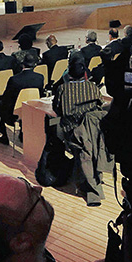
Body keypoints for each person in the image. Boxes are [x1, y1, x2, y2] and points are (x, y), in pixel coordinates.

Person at [53, 54, 111, 206]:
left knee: (54, 130)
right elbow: (99, 107)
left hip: (74, 134)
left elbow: (57, 110)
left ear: (69, 74)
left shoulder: (62, 89)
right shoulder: (93, 87)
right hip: (95, 134)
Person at [0, 52, 44, 146]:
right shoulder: (40, 78)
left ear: (23, 64)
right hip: (32, 110)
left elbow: (6, 98)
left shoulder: (14, 79)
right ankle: (22, 132)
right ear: (35, 65)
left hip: (14, 113)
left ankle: (4, 135)